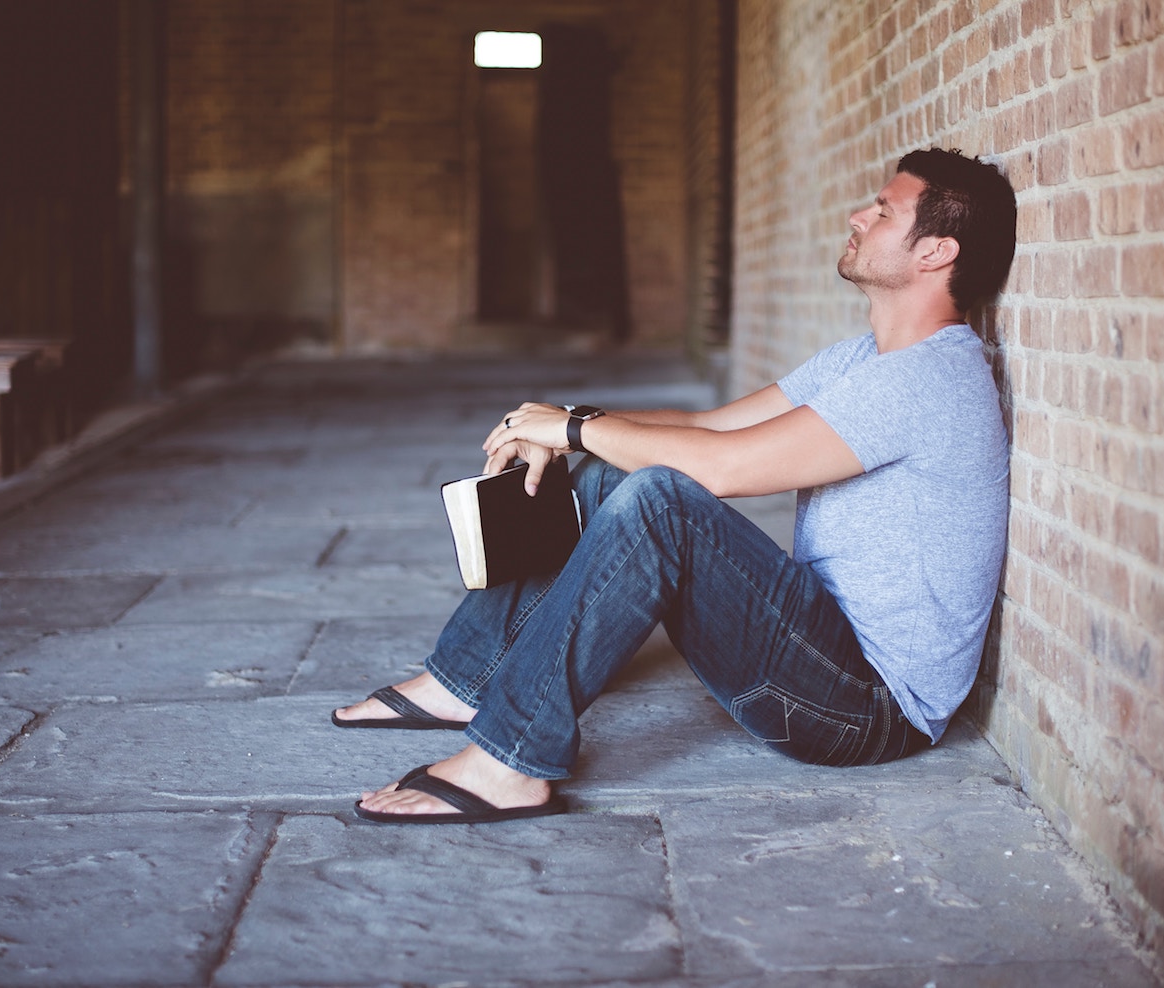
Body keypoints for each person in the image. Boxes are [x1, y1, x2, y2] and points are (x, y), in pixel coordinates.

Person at [333, 147, 1017, 824]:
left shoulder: (928, 379)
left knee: (660, 501)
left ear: (935, 253)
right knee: (615, 469)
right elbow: (705, 426)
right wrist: (569, 425)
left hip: (863, 709)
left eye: (883, 209)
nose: (856, 214)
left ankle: (510, 759)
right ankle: (465, 680)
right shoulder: (863, 359)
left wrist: (570, 429)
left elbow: (723, 470)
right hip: (819, 649)